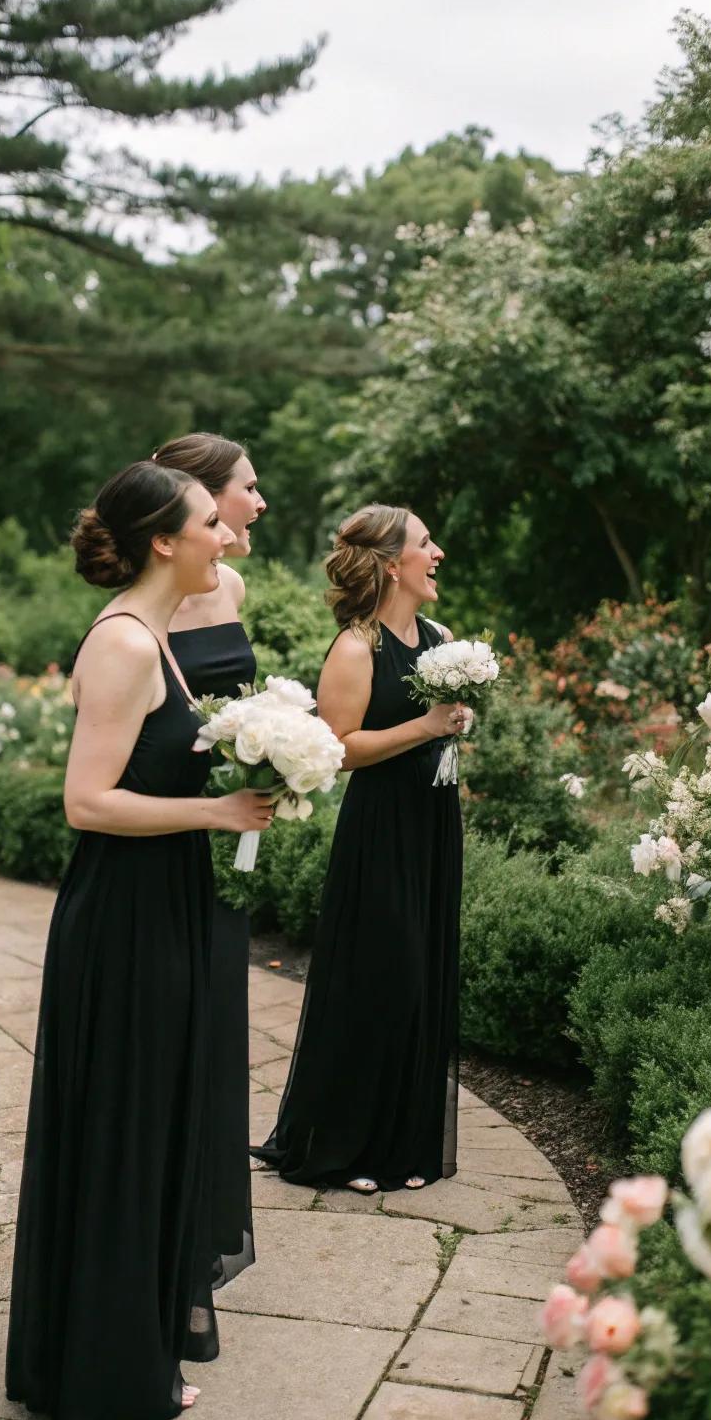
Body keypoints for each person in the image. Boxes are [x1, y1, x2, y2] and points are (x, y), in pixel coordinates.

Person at [6, 460, 273, 1420]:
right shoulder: (122, 642)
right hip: (122, 922)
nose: (226, 536)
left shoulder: (156, 635)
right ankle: (108, 1376)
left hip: (166, 904)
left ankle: (116, 1346)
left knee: (151, 1127)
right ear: (164, 540)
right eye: (211, 522)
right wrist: (217, 811)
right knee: (125, 1132)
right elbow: (86, 802)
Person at [253, 503, 464, 1194]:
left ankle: (405, 1144)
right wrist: (428, 726)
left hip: (434, 822)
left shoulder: (440, 638)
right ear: (392, 564)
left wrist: (455, 722)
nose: (438, 554)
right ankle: (347, 1146)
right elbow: (339, 749)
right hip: (381, 829)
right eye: (426, 544)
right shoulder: (355, 647)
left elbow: (437, 725)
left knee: (423, 975)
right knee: (383, 976)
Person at [152, 431, 266, 1287]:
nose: (258, 504)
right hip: (169, 829)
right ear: (200, 499)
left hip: (228, 836)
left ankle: (211, 1217)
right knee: (173, 1030)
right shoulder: (140, 609)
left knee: (223, 1022)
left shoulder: (230, 585)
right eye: (247, 489)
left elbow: (234, 705)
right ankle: (163, 1225)